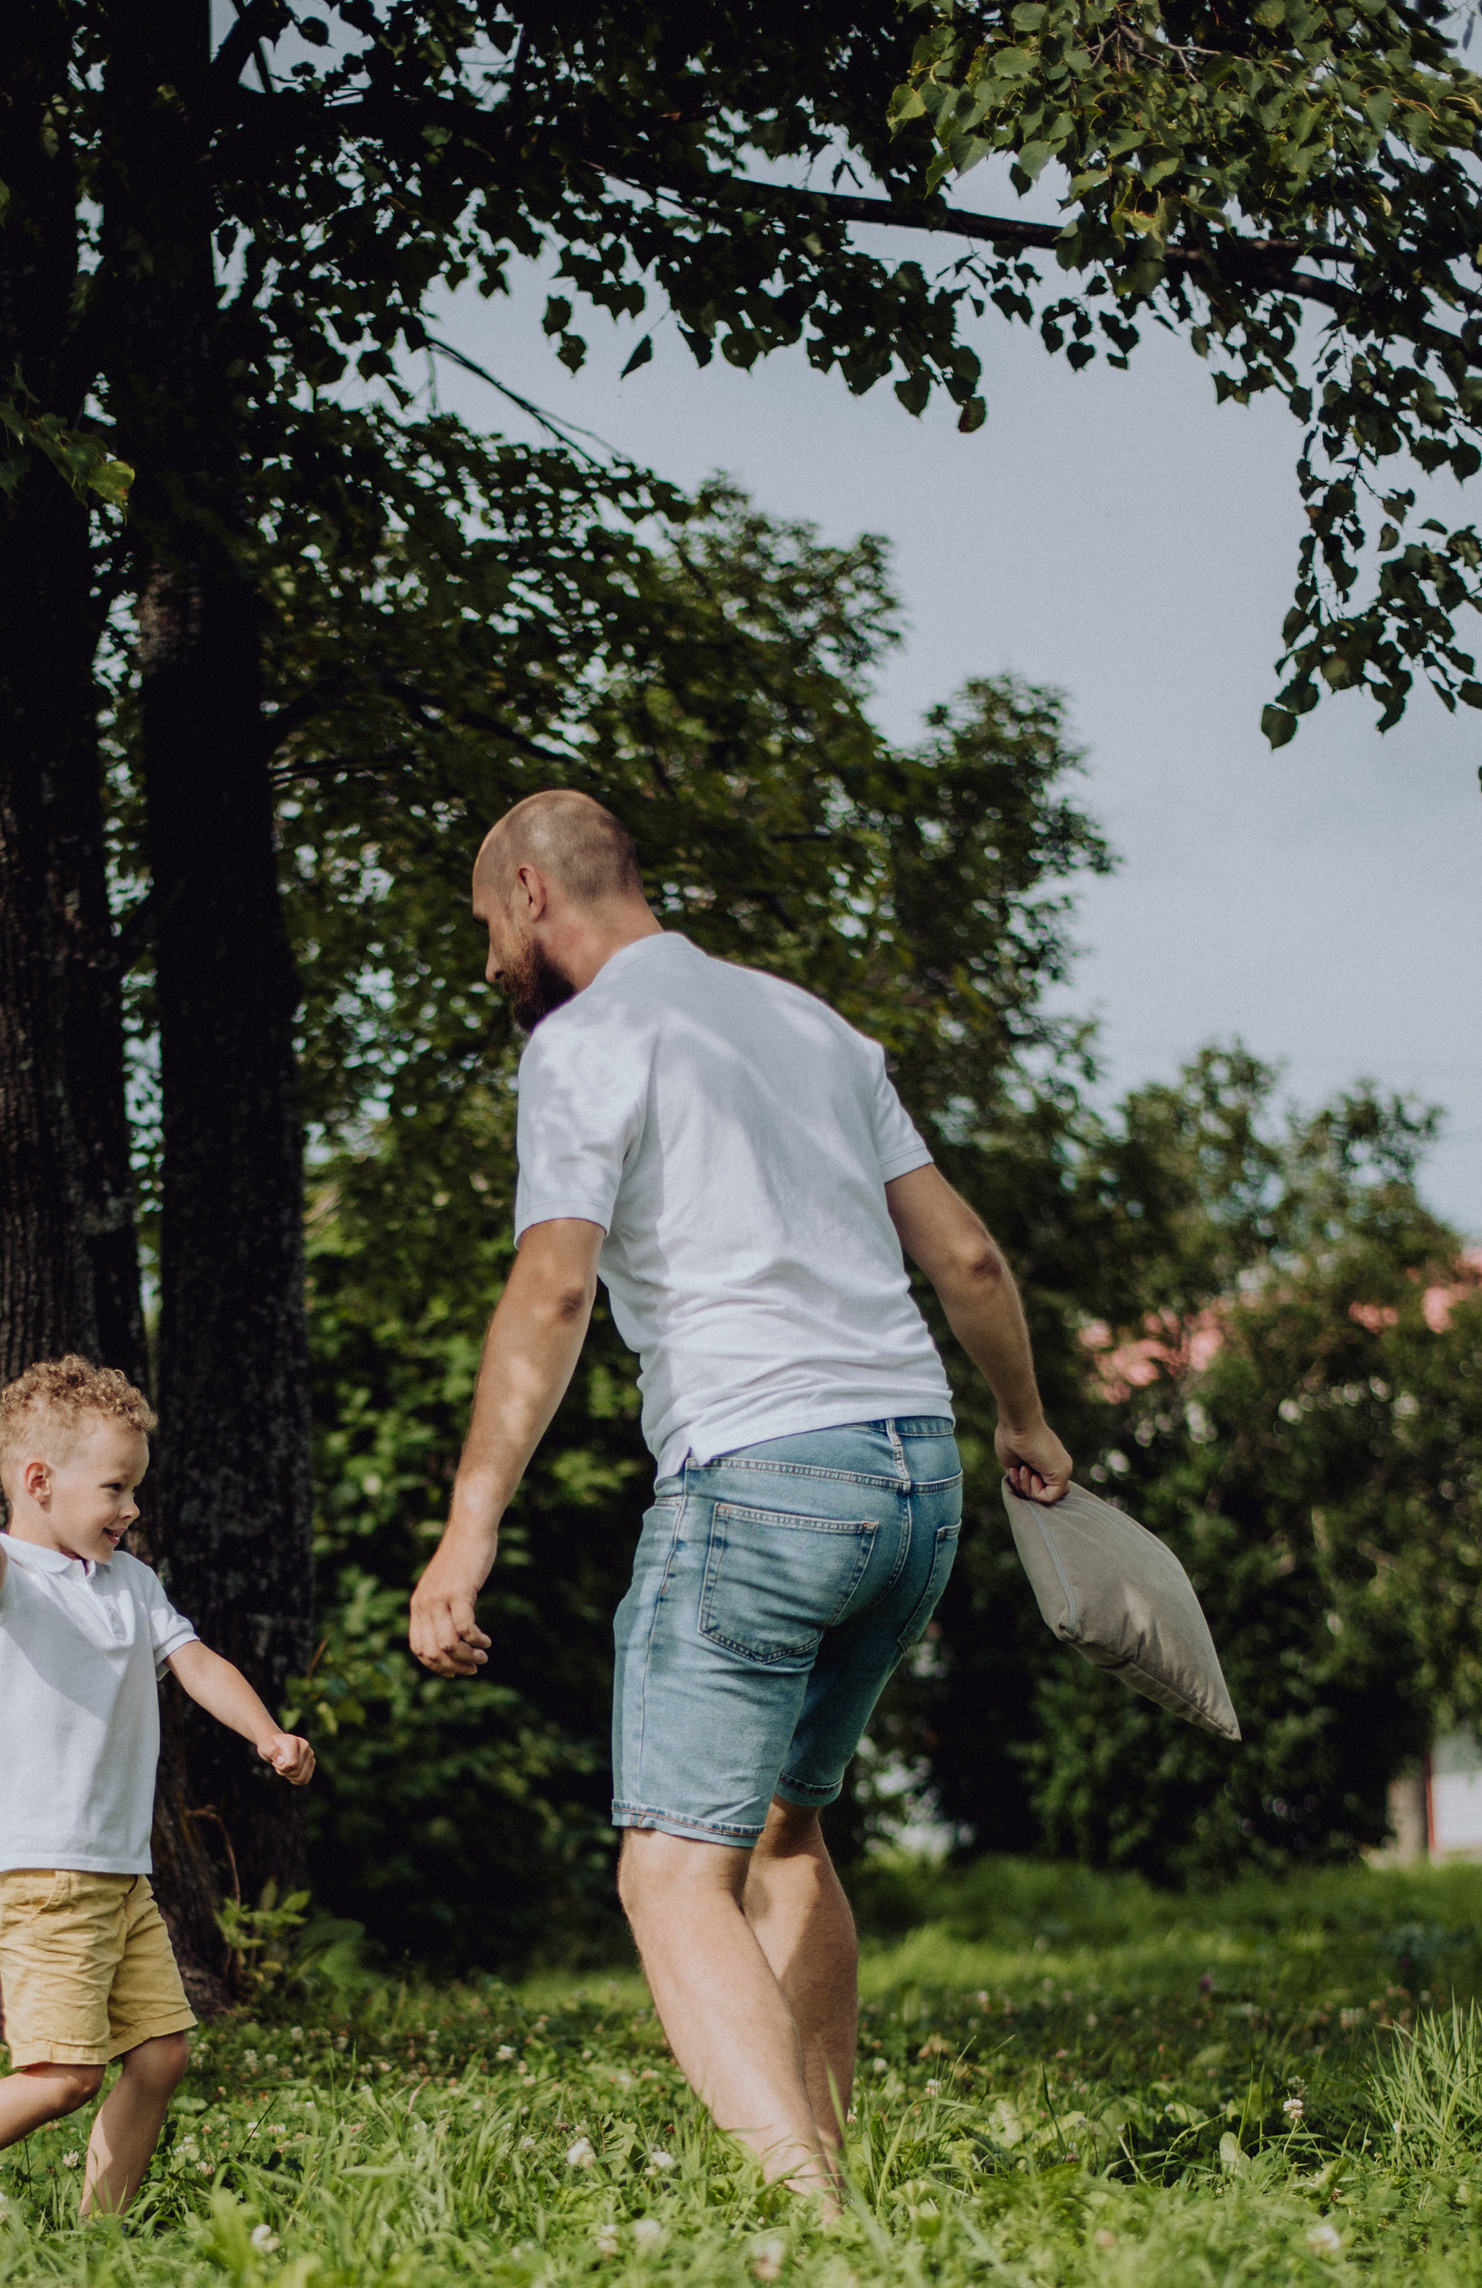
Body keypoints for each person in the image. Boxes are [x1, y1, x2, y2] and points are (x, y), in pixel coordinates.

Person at [408, 790, 1073, 2207]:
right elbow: (965, 1259)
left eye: (484, 928)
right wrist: (1021, 1416)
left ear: (531, 892)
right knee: (784, 1832)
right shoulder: (812, 1026)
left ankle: (807, 2210)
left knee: (669, 1874)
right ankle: (825, 2159)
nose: (487, 965)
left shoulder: (591, 1041)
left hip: (760, 1482)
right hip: (913, 1477)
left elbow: (554, 1287)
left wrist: (468, 1527)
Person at [0, 1356, 314, 2236]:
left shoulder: (130, 1582)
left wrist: (266, 1732)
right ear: (39, 1482)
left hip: (118, 1871)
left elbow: (195, 1661)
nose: (131, 1508)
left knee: (161, 2056)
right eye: (116, 1487)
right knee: (62, 2075)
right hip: (42, 1867)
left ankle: (101, 2236)